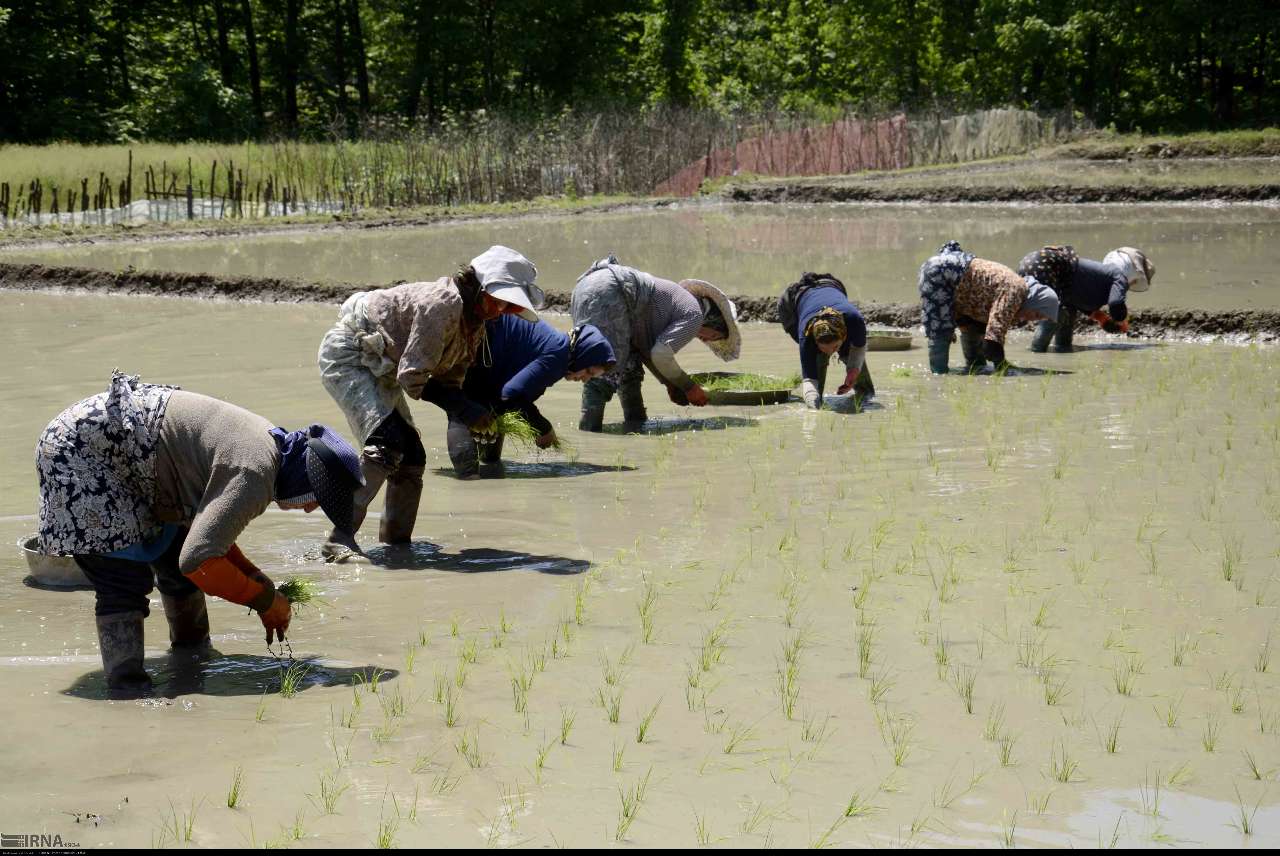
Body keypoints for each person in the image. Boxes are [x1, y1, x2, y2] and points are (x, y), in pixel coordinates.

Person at [34, 371, 364, 698]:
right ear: (307, 480)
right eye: (317, 499)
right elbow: (200, 560)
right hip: (82, 453)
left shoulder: (269, 451)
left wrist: (255, 577)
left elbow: (206, 538)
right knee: (123, 579)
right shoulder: (254, 471)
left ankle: (192, 658)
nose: (309, 509)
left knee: (175, 556)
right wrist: (265, 602)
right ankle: (127, 691)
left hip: (131, 456)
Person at [318, 246, 544, 557]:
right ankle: (338, 540)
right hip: (352, 357)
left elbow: (451, 379)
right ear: (480, 286)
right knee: (387, 444)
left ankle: (396, 546)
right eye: (500, 301)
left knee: (412, 458)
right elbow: (412, 378)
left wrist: (470, 413)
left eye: (509, 307)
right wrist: (464, 409)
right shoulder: (444, 304)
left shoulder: (475, 323)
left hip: (384, 367)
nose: (501, 311)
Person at [570, 254, 741, 431]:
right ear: (714, 321)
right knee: (602, 367)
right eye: (713, 336)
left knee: (629, 366)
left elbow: (646, 351)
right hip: (610, 291)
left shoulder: (678, 306)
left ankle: (634, 427)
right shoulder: (694, 315)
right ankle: (588, 434)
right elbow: (661, 355)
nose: (704, 339)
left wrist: (669, 383)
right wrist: (688, 386)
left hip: (586, 287)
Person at [447, 318, 616, 478]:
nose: (585, 379)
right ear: (584, 355)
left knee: (491, 456)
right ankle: (468, 480)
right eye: (588, 372)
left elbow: (504, 397)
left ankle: (487, 478)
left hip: (489, 361)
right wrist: (543, 428)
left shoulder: (559, 351)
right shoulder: (557, 355)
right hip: (477, 349)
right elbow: (510, 395)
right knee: (464, 413)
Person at [919, 240, 1060, 374]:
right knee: (941, 329)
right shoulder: (1016, 290)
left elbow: (989, 330)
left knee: (974, 326)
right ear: (1034, 302)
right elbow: (994, 335)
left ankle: (975, 368)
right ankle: (938, 376)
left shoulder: (1017, 293)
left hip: (964, 287)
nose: (1031, 319)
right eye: (1036, 314)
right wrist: (1002, 366)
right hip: (941, 273)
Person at [1017, 245, 1155, 352]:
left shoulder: (1099, 277)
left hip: (1035, 264)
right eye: (1134, 281)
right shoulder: (1119, 277)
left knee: (1067, 311)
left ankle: (1062, 348)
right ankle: (1037, 350)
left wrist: (1100, 317)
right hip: (1045, 265)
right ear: (1132, 273)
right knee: (1056, 312)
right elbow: (1116, 303)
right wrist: (1121, 319)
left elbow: (1077, 298)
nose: (1130, 285)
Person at [777, 271, 875, 409]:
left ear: (844, 334)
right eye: (824, 347)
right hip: (791, 305)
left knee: (848, 351)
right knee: (818, 359)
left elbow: (858, 348)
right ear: (815, 340)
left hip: (831, 285)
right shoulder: (806, 337)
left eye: (834, 348)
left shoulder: (855, 322)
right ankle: (818, 401)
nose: (830, 353)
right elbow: (809, 380)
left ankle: (865, 394)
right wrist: (813, 409)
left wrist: (853, 370)